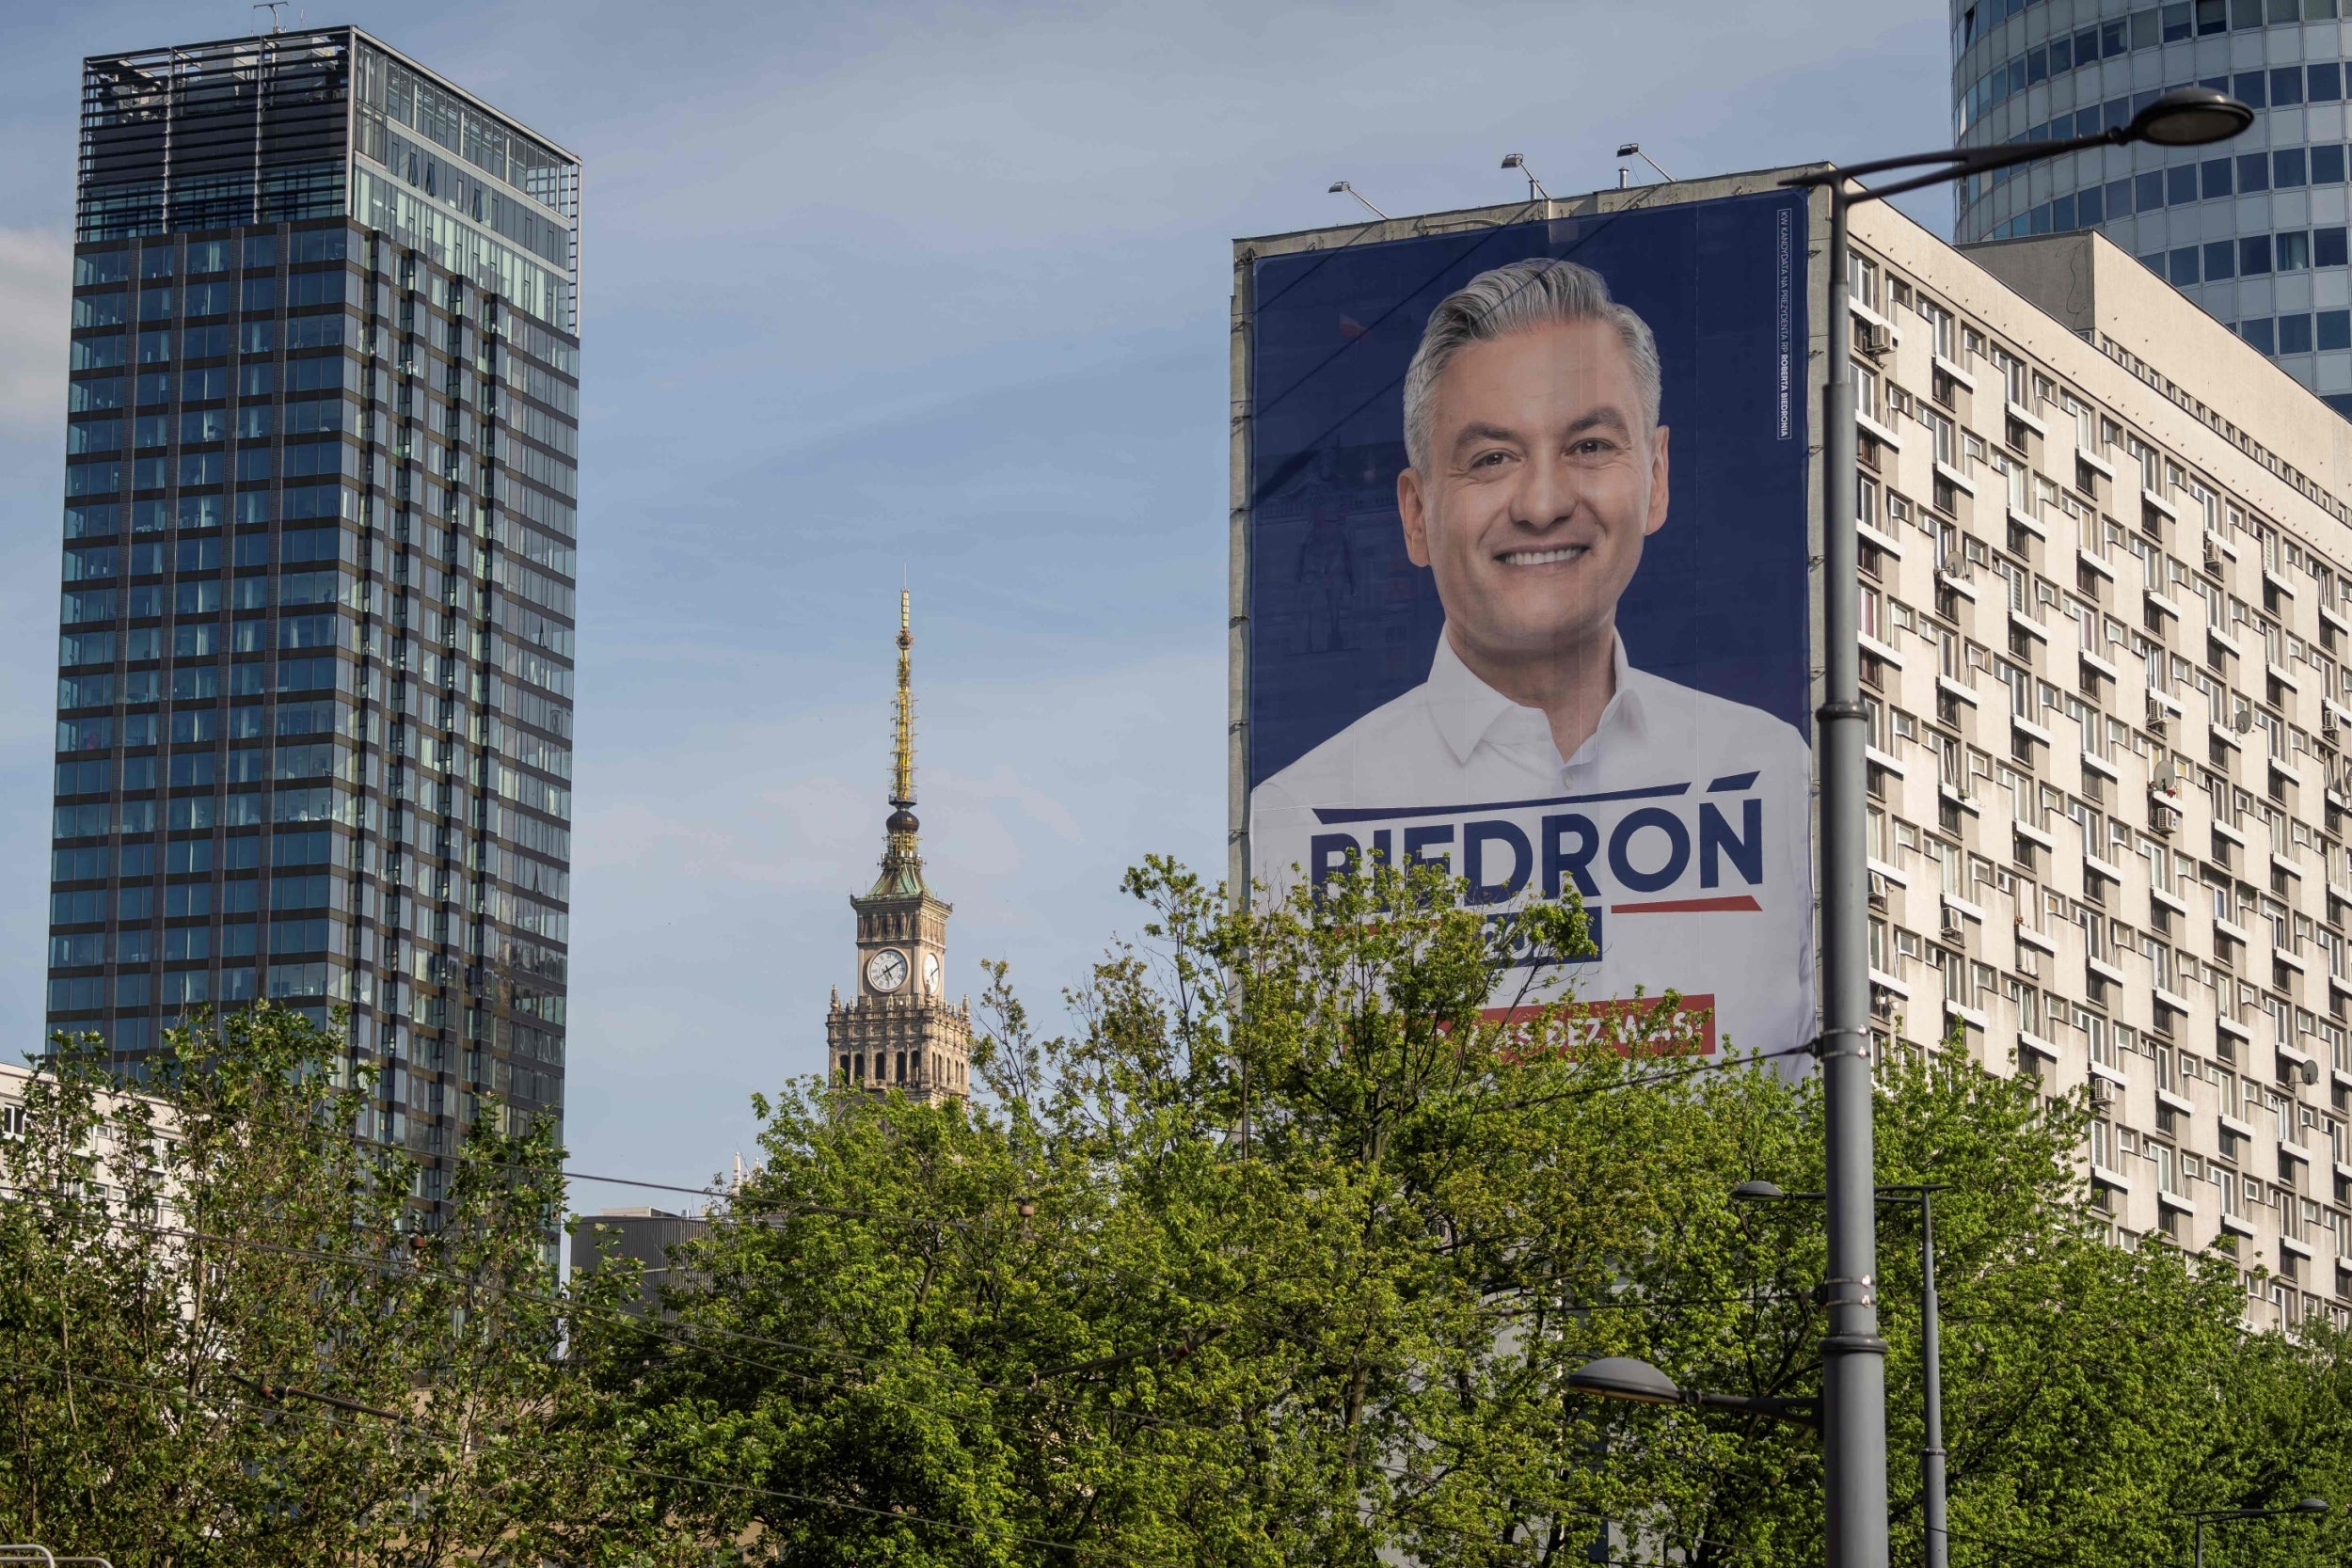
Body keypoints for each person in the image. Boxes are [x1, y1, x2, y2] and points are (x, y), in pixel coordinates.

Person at [1248, 257, 1815, 1057]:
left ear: (1655, 479)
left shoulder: (1770, 773)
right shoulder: (1300, 817)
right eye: (1491, 458)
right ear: (1416, 514)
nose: (1544, 503)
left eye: (1588, 444)